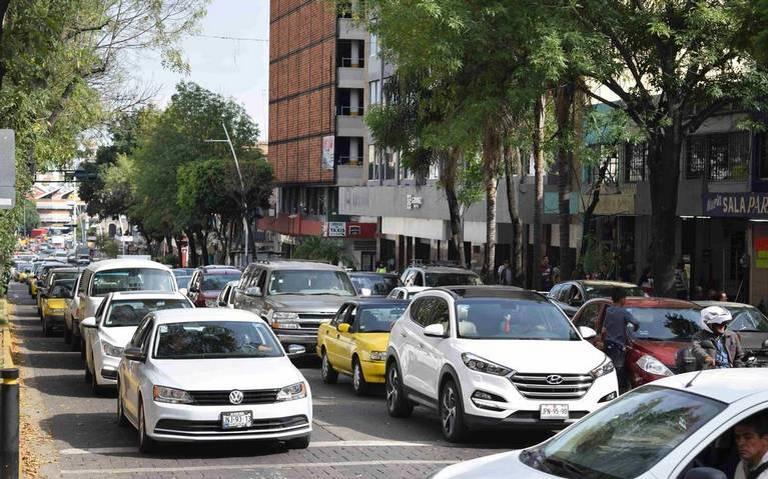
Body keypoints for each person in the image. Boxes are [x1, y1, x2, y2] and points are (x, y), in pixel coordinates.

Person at [602, 288, 639, 392]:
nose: (625, 300)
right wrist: (635, 329)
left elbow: (605, 327)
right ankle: (618, 389)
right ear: (622, 299)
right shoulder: (623, 312)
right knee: (618, 368)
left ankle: (608, 387)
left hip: (608, 343)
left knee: (609, 367)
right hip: (618, 345)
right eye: (625, 298)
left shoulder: (608, 311)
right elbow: (636, 323)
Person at [734, 415, 768, 479]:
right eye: (737, 437)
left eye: (748, 437)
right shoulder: (742, 464)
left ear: (765, 439)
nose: (740, 443)